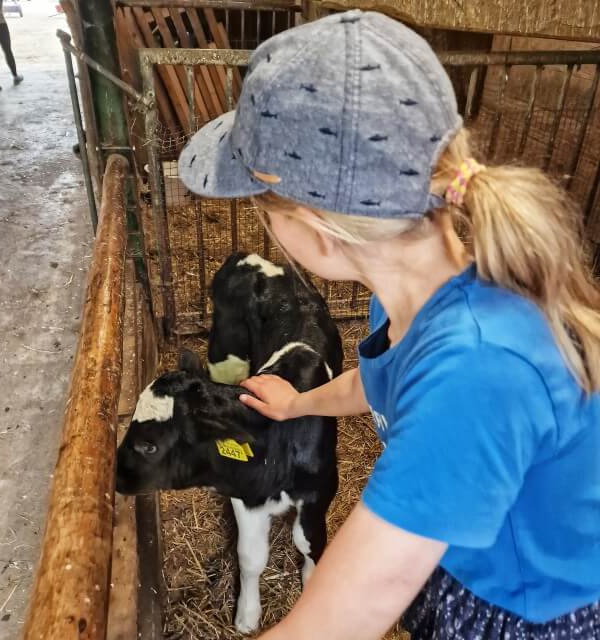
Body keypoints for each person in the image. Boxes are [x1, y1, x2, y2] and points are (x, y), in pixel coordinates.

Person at [178, 11, 600, 640]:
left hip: (521, 612)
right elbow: (377, 383)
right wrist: (297, 404)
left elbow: (336, 621)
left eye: (263, 210)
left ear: (315, 230)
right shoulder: (408, 294)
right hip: (462, 564)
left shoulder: (477, 371)